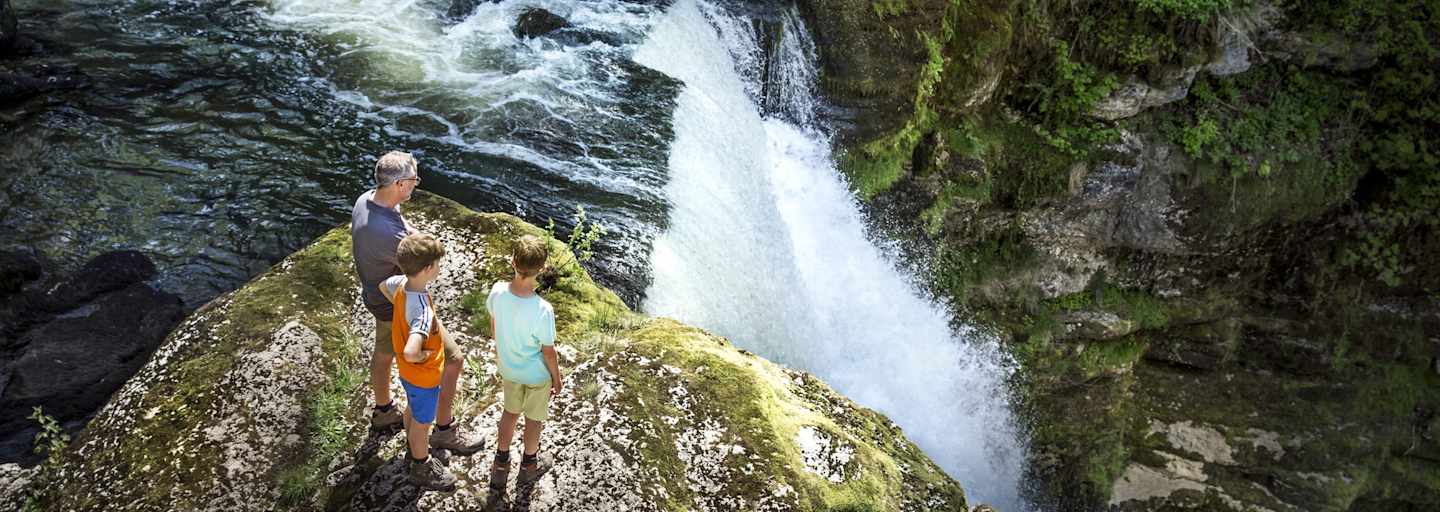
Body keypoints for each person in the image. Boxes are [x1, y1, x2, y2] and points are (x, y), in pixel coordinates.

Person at [350, 151, 482, 454]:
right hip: (396, 304)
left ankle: (384, 411)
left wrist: (411, 232)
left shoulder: (368, 199)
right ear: (398, 183)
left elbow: (399, 224)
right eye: (413, 180)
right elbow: (418, 259)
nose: (416, 185)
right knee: (453, 360)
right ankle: (444, 430)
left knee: (383, 353)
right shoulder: (388, 237)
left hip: (375, 296)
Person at [378, 233, 472, 490]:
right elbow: (411, 351)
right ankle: (421, 465)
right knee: (422, 424)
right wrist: (425, 355)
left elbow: (382, 286)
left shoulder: (401, 284)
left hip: (408, 375)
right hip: (423, 376)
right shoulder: (421, 309)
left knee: (412, 410)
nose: (440, 268)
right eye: (438, 264)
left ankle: (412, 448)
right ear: (428, 269)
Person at [486, 235, 561, 496]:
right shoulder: (543, 309)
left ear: (513, 261)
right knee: (533, 420)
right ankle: (529, 463)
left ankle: (500, 462)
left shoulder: (497, 292)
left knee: (510, 413)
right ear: (542, 268)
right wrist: (557, 379)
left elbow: (494, 330)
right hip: (537, 375)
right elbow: (548, 351)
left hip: (509, 369)